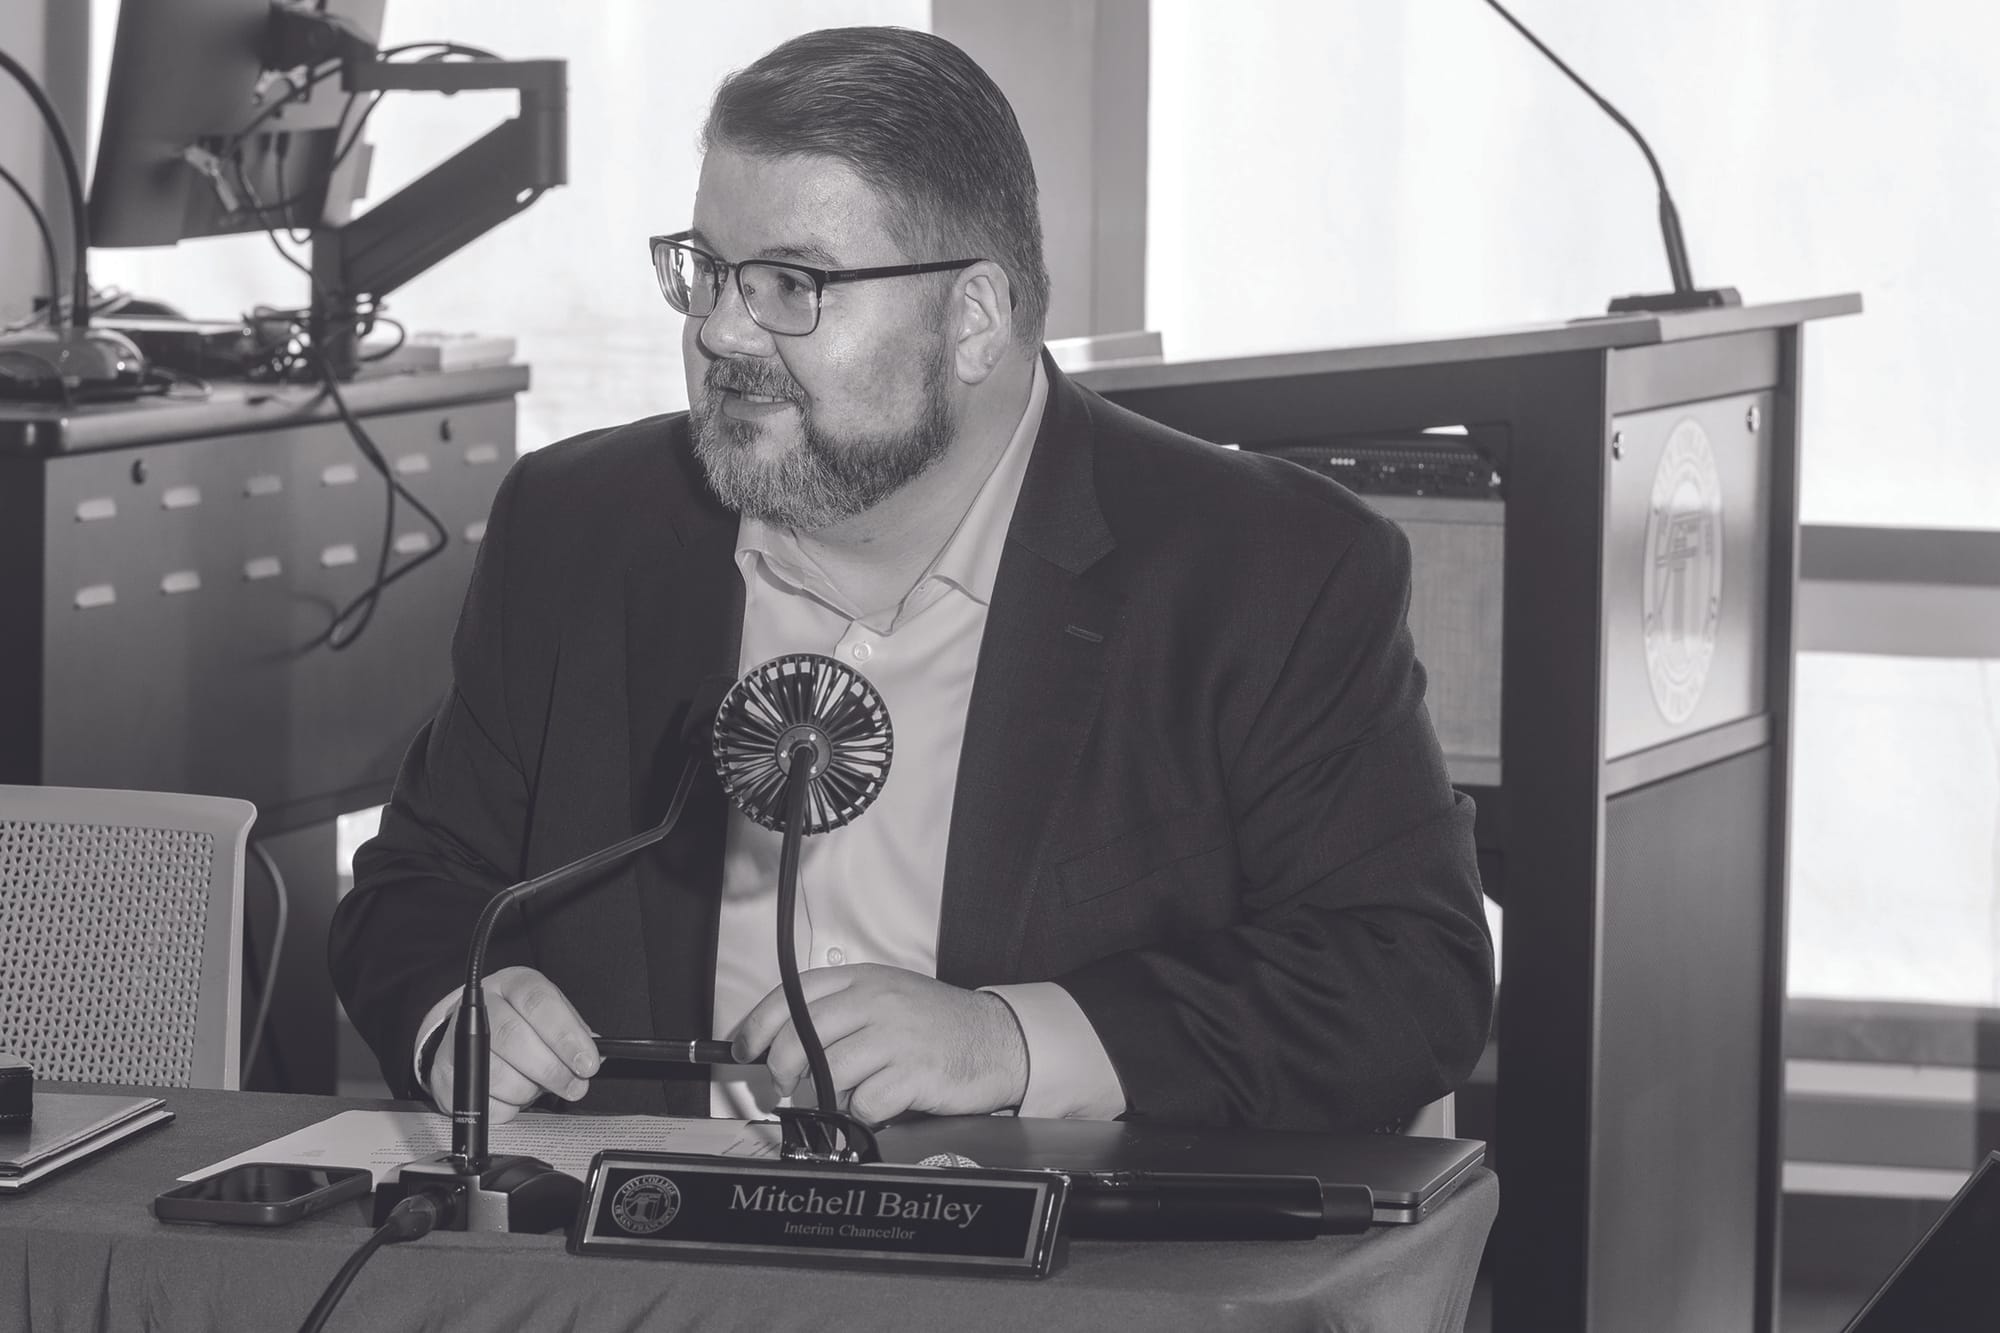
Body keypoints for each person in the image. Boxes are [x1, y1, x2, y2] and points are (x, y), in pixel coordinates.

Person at [329, 26, 1493, 1135]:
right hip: (641, 1229)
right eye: (709, 271)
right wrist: (455, 1006)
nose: (721, 333)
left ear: (972, 319)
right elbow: (413, 888)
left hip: (1062, 1245)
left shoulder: (1264, 569)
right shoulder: (578, 527)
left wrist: (1008, 1042)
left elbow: (1408, 978)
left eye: (791, 282)